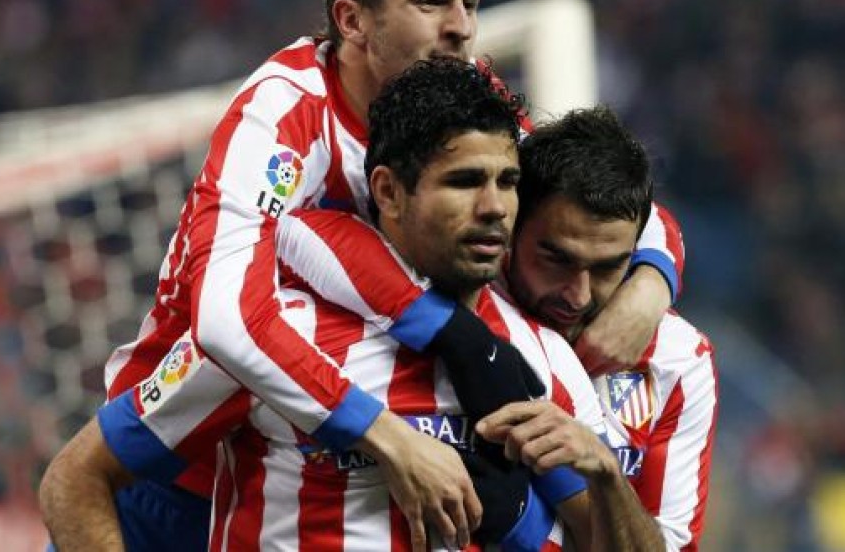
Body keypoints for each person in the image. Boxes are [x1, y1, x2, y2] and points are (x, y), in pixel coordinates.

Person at [87, 0, 685, 551]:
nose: (460, 25)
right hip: (180, 467)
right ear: (351, 21)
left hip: (349, 462)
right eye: (430, 1)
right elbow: (227, 317)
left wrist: (650, 285)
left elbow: (597, 197)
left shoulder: (468, 103)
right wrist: (384, 433)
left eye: (470, 2)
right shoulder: (284, 115)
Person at [40, 58, 608, 551]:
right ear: (387, 191)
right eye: (463, 182)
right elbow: (75, 481)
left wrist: (562, 501)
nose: (493, 206)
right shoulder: (273, 335)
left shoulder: (544, 361)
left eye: (508, 182)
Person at [286, 107, 716, 551]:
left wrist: (556, 503)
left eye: (609, 268)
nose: (578, 295)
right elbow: (296, 231)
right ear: (512, 223)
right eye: (556, 258)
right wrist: (461, 338)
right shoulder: (463, 285)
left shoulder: (678, 361)